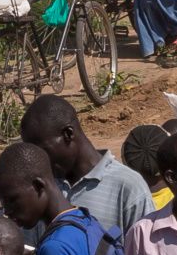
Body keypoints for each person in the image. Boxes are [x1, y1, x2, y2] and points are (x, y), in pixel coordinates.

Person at [17, 94, 150, 239]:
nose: (37, 162)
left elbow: (143, 254)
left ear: (68, 134)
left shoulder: (127, 187)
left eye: (42, 152)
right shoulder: (41, 187)